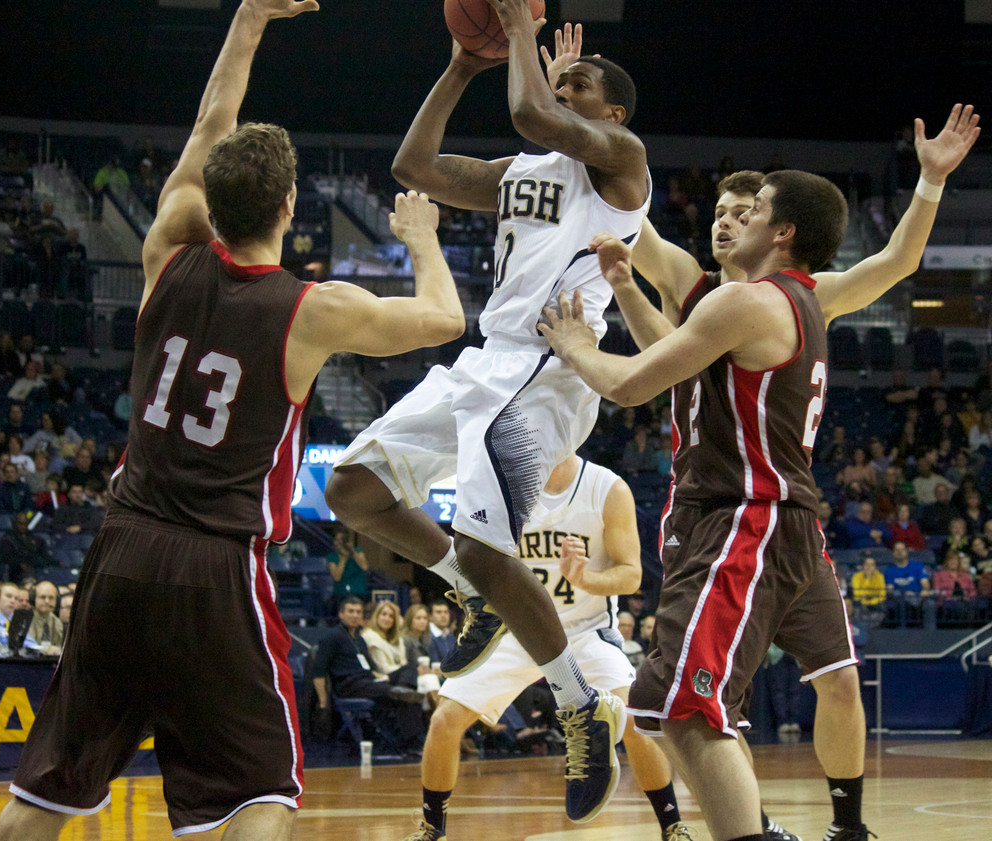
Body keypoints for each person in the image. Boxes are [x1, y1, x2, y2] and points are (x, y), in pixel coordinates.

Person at [0, 3, 467, 839]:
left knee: (46, 794)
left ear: (208, 198)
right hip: (214, 564)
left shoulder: (165, 248)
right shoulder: (311, 310)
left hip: (120, 549)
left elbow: (213, 120)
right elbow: (443, 318)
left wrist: (248, 19)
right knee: (260, 795)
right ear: (290, 205)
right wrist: (420, 235)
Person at [538, 68, 978, 840]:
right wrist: (568, 120)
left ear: (777, 230)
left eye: (748, 210)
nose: (728, 220)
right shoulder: (716, 289)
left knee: (762, 692)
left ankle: (828, 824)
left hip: (749, 515)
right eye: (721, 211)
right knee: (686, 704)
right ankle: (757, 822)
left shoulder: (760, 297)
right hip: (761, 511)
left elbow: (639, 373)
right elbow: (627, 226)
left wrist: (578, 343)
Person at [325, 3, 650, 822]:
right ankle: (465, 588)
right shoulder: (518, 171)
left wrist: (517, 28)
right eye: (561, 75)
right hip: (484, 361)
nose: (563, 87)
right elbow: (415, 163)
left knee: (485, 539)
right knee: (353, 490)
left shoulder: (621, 165)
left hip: (549, 371)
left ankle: (578, 704)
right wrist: (463, 65)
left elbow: (533, 108)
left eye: (582, 83)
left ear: (611, 114)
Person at [401, 454, 694, 841]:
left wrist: (585, 577)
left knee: (637, 722)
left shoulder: (607, 488)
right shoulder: (504, 485)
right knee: (444, 721)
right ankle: (431, 830)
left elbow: (631, 575)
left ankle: (673, 825)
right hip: (517, 629)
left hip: (586, 631)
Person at [311, 596, 425, 754]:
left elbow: (371, 669)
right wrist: (323, 704)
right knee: (395, 692)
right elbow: (319, 672)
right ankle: (413, 741)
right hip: (349, 685)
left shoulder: (359, 639)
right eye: (351, 611)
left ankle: (403, 690)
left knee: (409, 669)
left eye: (358, 612)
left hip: (369, 681)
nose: (355, 615)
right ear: (341, 614)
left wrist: (386, 678)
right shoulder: (332, 637)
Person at [0, 512, 51, 582]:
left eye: (25, 524)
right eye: (20, 524)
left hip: (35, 571)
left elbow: (44, 557)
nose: (23, 527)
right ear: (15, 524)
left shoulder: (37, 540)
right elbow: (7, 558)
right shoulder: (7, 539)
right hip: (15, 573)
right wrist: (20, 564)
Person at [326, 524, 370, 607]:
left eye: (342, 540)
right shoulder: (332, 556)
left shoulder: (358, 551)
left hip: (358, 591)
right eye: (337, 540)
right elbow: (336, 577)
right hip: (341, 594)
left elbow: (365, 567)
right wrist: (343, 558)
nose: (339, 543)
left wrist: (351, 550)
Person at [26, 580, 65, 656]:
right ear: (33, 599)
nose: (47, 601)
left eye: (51, 598)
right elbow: (29, 647)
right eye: (42, 597)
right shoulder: (27, 619)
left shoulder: (57, 622)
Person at [850, 556, 886, 629]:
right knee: (857, 606)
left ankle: (876, 628)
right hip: (861, 603)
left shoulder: (880, 576)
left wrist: (871, 601)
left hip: (875, 603)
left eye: (872, 565)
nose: (869, 567)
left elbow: (882, 595)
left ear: (875, 567)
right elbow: (857, 594)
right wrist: (868, 579)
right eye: (867, 564)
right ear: (863, 566)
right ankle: (860, 627)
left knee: (882, 607)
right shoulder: (856, 576)